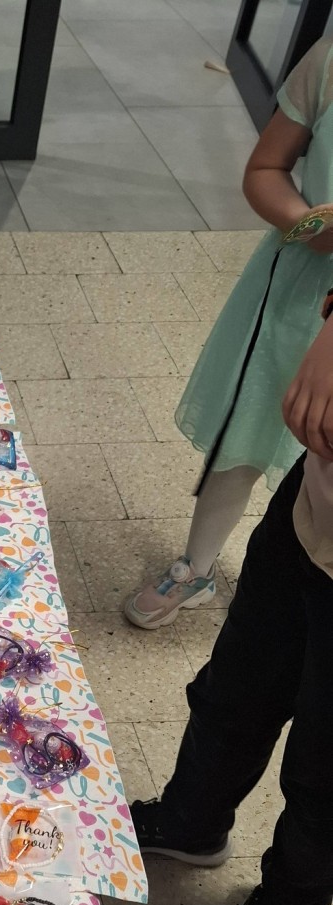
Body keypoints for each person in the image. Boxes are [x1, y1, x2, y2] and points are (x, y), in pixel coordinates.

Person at [129, 302, 333, 905]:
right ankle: (192, 820)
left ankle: (287, 904)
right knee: (236, 688)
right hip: (313, 507)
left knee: (323, 771)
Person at [123, 37, 333, 630]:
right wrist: (306, 222)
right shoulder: (327, 61)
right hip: (299, 286)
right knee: (247, 427)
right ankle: (197, 565)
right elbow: (266, 169)